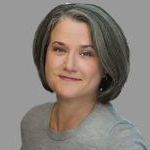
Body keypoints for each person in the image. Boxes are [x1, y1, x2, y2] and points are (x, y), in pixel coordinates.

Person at [20, 3, 149, 150]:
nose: (69, 65)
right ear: (44, 54)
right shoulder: (32, 121)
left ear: (107, 65)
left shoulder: (121, 140)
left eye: (86, 53)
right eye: (59, 49)